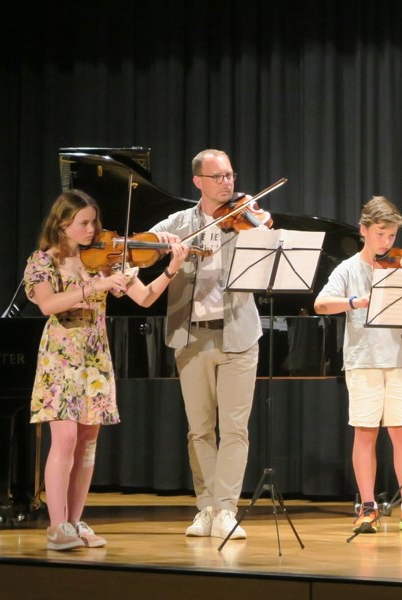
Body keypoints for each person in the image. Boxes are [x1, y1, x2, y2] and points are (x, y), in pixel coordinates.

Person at [25, 190, 188, 550]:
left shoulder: (104, 260)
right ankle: (56, 527)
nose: (91, 229)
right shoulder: (43, 261)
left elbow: (145, 297)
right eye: (83, 222)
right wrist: (94, 285)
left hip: (96, 357)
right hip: (61, 355)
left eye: (93, 222)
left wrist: (171, 269)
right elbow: (48, 303)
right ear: (62, 223)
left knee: (87, 444)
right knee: (65, 439)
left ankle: (74, 520)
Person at [149, 149, 261, 540]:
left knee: (234, 429)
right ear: (198, 181)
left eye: (230, 175)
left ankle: (227, 510)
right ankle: (207, 507)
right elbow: (144, 246)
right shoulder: (180, 223)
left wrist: (259, 228)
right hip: (191, 335)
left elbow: (268, 254)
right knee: (199, 429)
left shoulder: (246, 219)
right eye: (218, 177)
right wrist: (160, 242)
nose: (228, 183)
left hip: (238, 335)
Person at [313, 196, 402, 534]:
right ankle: (368, 506)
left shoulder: (400, 268)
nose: (387, 243)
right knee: (365, 433)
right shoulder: (349, 269)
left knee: (401, 432)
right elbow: (321, 304)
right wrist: (356, 301)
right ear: (364, 230)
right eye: (381, 234)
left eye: (392, 236)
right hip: (363, 361)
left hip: (398, 357)